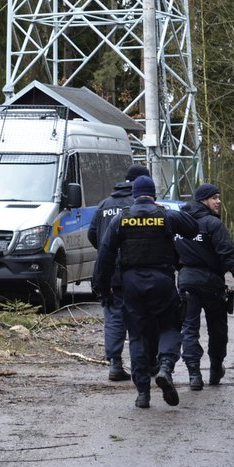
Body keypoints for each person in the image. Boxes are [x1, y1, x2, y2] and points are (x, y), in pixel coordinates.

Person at [94, 175, 198, 408]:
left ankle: (142, 393)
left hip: (131, 283)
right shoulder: (165, 216)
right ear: (154, 195)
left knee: (138, 336)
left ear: (134, 196)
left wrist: (102, 287)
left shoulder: (122, 218)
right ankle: (165, 367)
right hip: (162, 279)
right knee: (170, 326)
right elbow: (193, 228)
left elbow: (105, 255)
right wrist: (165, 210)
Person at [175, 183, 234, 390]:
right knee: (217, 328)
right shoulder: (212, 224)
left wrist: (181, 271)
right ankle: (216, 368)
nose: (218, 201)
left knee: (188, 328)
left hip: (187, 280)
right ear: (203, 200)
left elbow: (172, 251)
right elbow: (226, 252)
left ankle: (194, 374)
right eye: (214, 198)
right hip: (211, 283)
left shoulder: (180, 222)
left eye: (218, 197)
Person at [88, 163, 150, 381]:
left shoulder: (105, 204)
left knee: (114, 317)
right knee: (140, 317)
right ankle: (144, 364)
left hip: (110, 271)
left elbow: (92, 234)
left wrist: (107, 253)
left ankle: (115, 364)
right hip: (137, 270)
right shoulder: (139, 205)